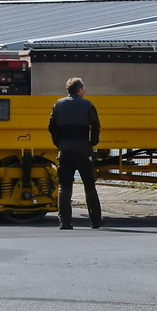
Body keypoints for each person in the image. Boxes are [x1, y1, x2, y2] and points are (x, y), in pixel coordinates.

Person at [48, 77, 102, 230]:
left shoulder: (59, 104)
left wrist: (59, 143)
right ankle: (96, 222)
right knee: (89, 186)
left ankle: (65, 222)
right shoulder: (87, 104)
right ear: (80, 90)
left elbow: (51, 126)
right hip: (83, 151)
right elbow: (96, 125)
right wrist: (92, 143)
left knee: (64, 187)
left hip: (64, 151)